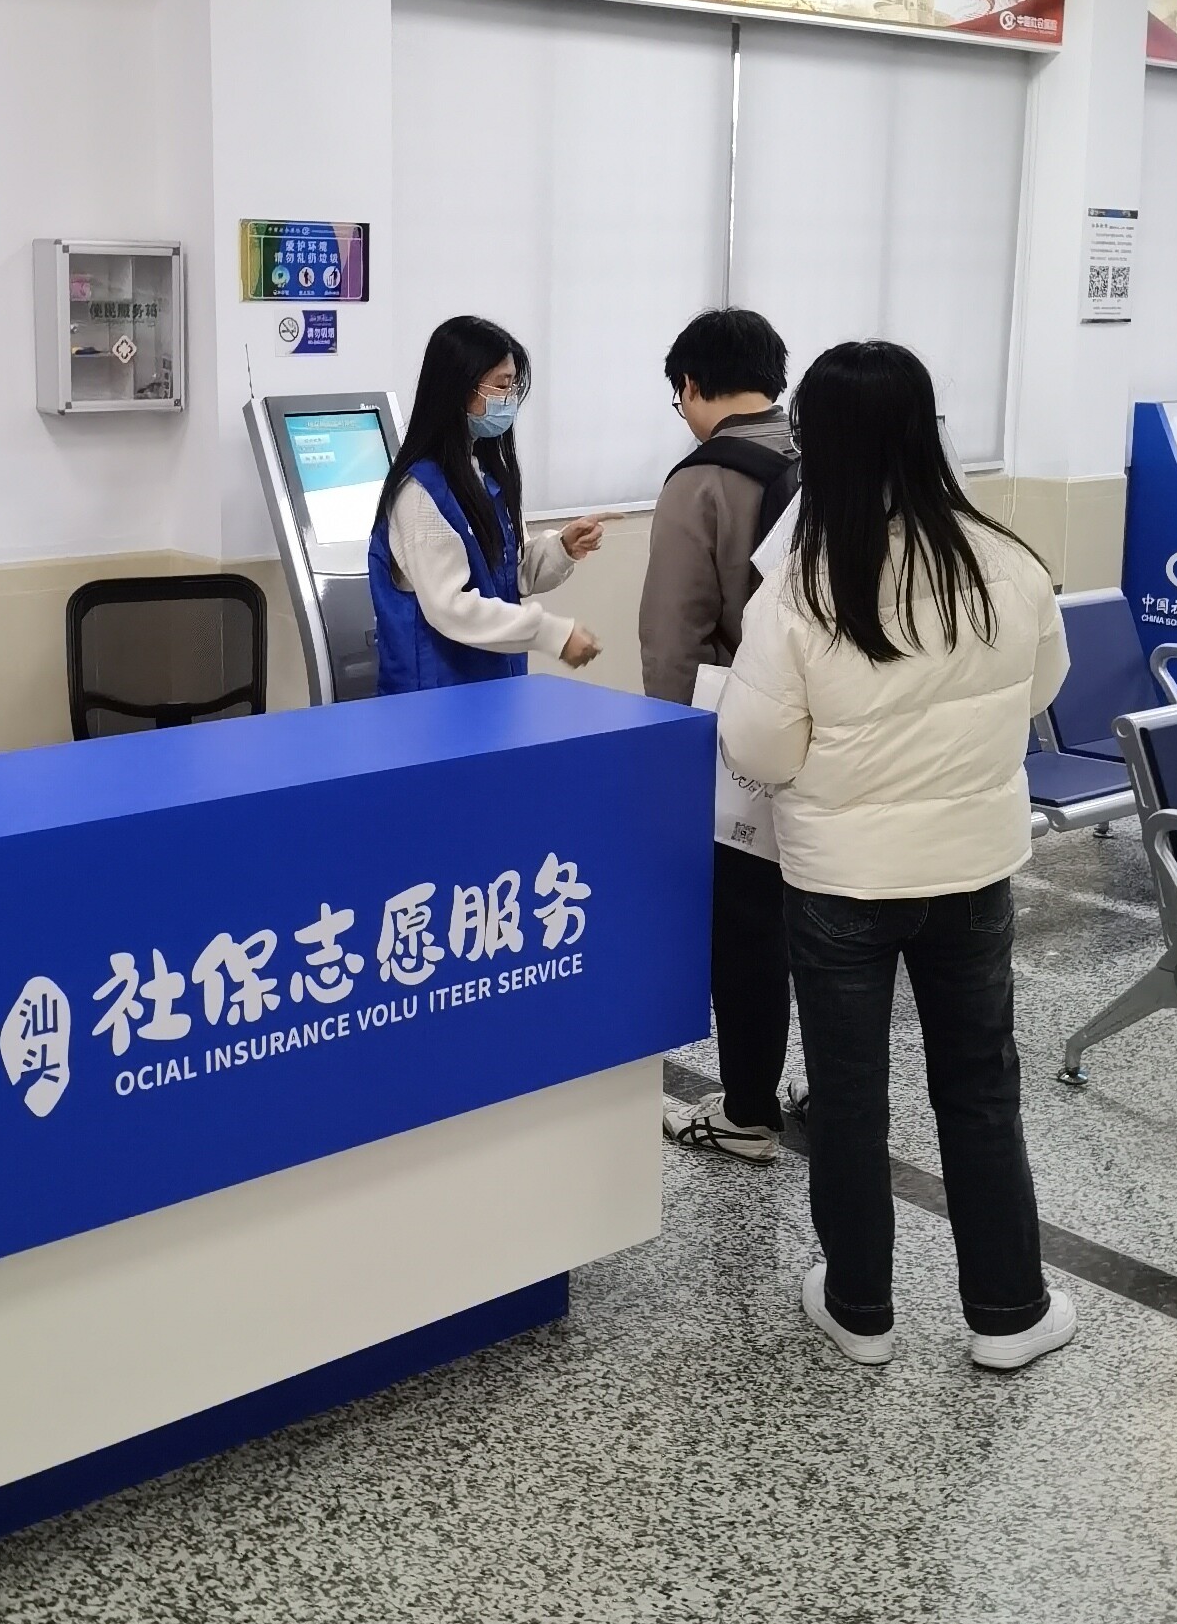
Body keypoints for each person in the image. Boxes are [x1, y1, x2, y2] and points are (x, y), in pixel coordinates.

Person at [720, 338, 1075, 1377]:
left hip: (841, 880)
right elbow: (1042, 689)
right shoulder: (1005, 560)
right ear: (926, 432)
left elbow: (757, 751)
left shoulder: (799, 588)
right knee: (980, 1085)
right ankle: (1008, 1312)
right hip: (971, 871)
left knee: (847, 1092)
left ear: (818, 445)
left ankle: (859, 1309)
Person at [639, 307, 797, 1162]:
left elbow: (674, 639)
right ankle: (828, 1084)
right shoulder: (831, 455)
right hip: (843, 734)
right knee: (825, 919)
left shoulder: (701, 482)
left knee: (744, 927)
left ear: (692, 386)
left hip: (745, 739)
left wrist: (672, 760)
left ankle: (746, 1112)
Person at [369, 316, 604, 692]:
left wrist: (561, 548)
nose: (509, 400)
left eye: (513, 387)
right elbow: (451, 608)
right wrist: (551, 633)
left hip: (491, 688)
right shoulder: (420, 492)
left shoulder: (484, 474)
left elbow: (509, 575)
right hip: (434, 698)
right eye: (502, 385)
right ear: (460, 388)